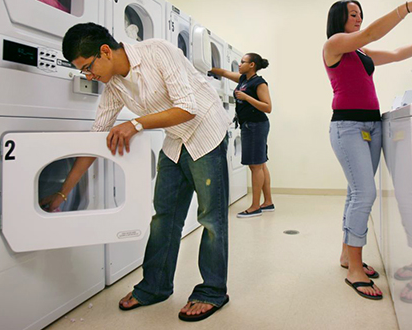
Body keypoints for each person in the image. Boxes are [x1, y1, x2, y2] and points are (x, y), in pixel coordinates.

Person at [40, 23, 231, 322]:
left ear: (105, 51)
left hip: (206, 132)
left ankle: (212, 291)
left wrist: (136, 124)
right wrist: (63, 192)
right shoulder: (114, 86)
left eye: (89, 68)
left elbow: (188, 107)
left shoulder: (158, 51)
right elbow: (96, 139)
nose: (90, 77)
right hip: (175, 142)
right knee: (163, 217)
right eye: (84, 73)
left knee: (211, 219)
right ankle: (155, 286)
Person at [323, 0, 412, 300]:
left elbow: (398, 53)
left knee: (355, 193)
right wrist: (406, 8)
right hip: (347, 127)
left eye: (360, 14)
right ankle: (354, 270)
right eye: (352, 15)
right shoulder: (335, 44)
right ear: (339, 19)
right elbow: (371, 33)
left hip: (372, 127)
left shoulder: (361, 52)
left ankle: (348, 256)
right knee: (365, 194)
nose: (358, 19)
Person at [210, 53, 274, 218]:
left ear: (252, 65)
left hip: (256, 126)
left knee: (255, 166)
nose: (239, 64)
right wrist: (203, 67)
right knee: (261, 164)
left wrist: (246, 97)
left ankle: (255, 207)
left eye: (243, 62)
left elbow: (268, 107)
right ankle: (267, 202)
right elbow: (224, 73)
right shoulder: (242, 80)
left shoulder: (259, 83)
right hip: (250, 125)